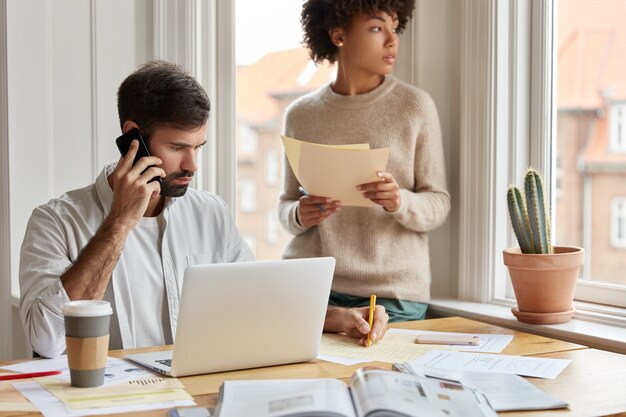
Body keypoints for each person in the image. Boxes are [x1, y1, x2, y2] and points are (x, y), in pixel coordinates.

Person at [19, 60, 388, 359]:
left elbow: (253, 305)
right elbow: (47, 341)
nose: (193, 165)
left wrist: (333, 318)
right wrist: (118, 224)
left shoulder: (210, 214)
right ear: (133, 136)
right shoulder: (54, 221)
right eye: (178, 146)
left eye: (200, 146)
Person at [278, 0, 450, 323]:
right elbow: (285, 205)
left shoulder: (415, 108)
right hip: (312, 283)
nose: (392, 39)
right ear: (338, 35)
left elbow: (438, 203)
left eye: (394, 26)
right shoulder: (301, 115)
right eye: (376, 28)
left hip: (392, 293)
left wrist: (400, 201)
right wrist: (299, 213)